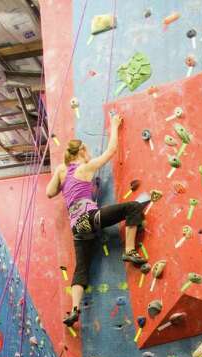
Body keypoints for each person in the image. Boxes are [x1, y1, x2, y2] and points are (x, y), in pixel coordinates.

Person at [46, 112, 151, 327]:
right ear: (82, 151)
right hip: (90, 217)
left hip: (77, 226)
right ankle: (130, 250)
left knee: (81, 269)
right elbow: (111, 151)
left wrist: (59, 174)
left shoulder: (62, 171)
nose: (90, 154)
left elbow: (50, 192)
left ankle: (75, 309)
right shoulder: (85, 167)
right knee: (133, 207)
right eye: (88, 151)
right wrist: (114, 125)